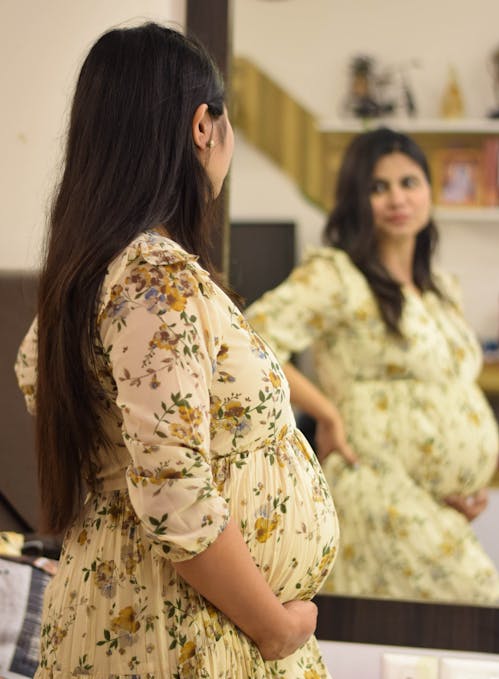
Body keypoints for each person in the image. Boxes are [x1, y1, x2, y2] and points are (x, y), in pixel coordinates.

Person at [15, 23, 339, 677]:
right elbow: (175, 501)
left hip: (153, 614)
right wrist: (277, 629)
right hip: (182, 632)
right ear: (203, 126)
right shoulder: (152, 275)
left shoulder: (89, 273)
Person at [246, 127, 499, 604]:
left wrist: (458, 480)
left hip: (429, 499)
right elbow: (253, 336)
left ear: (429, 191)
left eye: (409, 182)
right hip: (374, 487)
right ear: (356, 200)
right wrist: (327, 412)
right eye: (378, 187)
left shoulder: (441, 289)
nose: (397, 198)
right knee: (480, 607)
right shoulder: (339, 275)